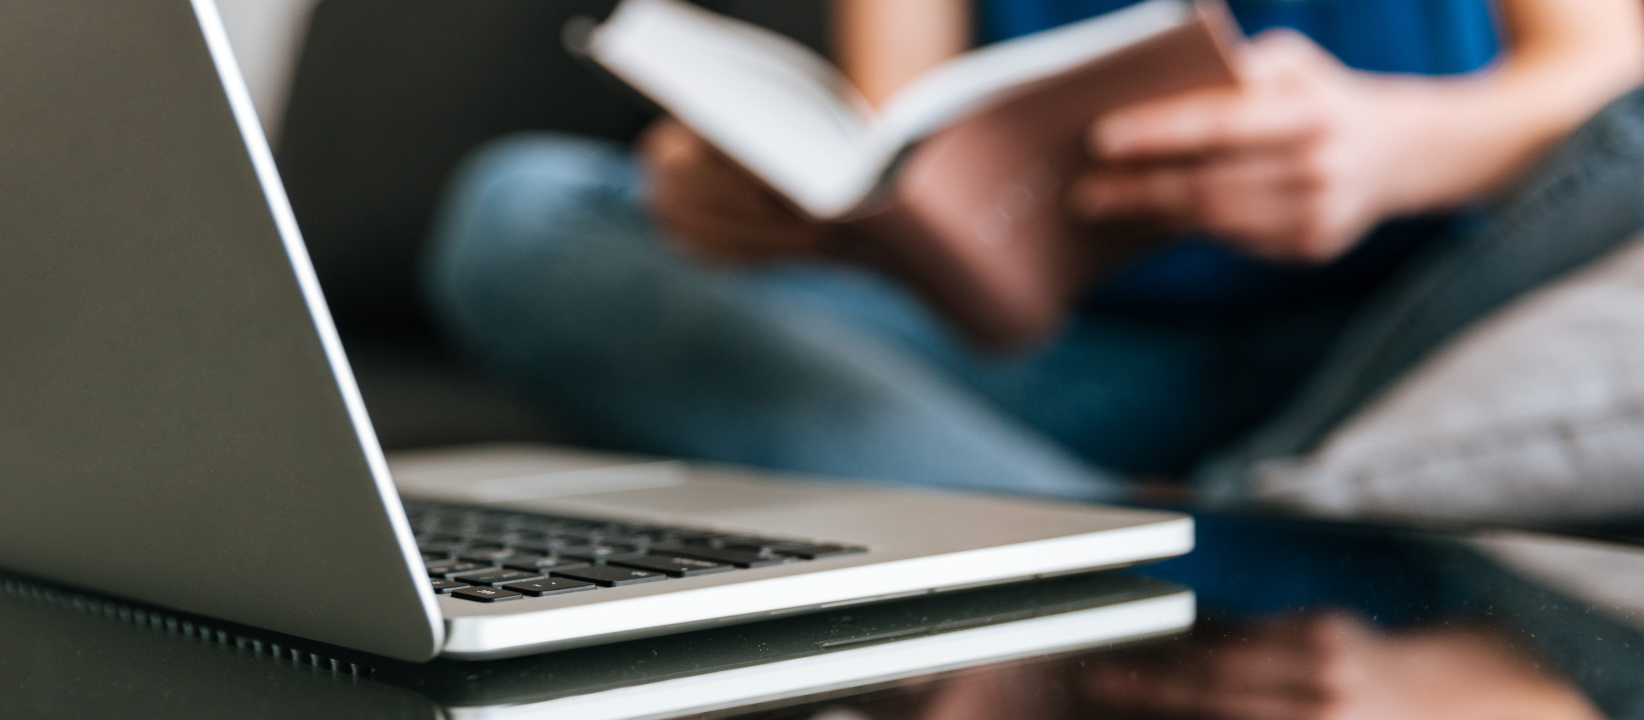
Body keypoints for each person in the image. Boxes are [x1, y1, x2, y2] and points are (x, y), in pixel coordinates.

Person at [422, 0, 1644, 503]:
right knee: (525, 210)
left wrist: (1392, 151)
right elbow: (896, 145)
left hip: (1411, 358)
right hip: (1045, 362)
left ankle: (1052, 543)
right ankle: (1170, 544)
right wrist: (766, 195)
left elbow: (1601, 79)